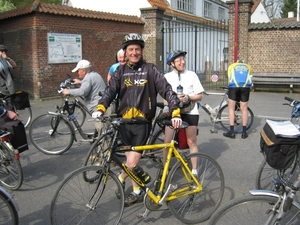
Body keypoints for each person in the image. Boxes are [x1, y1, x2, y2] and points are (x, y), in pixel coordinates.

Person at [92, 33, 182, 207]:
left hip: (142, 124)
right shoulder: (120, 70)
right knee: (130, 161)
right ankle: (137, 192)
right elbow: (110, 91)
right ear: (125, 52)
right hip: (124, 123)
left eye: (137, 49)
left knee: (132, 162)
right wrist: (101, 107)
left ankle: (120, 178)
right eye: (130, 49)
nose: (134, 52)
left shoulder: (150, 69)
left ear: (142, 50)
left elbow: (167, 90)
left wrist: (175, 111)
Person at [163, 50, 204, 174]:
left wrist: (188, 97)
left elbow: (199, 96)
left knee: (191, 141)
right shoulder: (167, 77)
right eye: (179, 60)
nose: (183, 62)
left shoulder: (192, 75)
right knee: (167, 141)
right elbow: (165, 96)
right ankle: (165, 168)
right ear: (172, 63)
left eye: (183, 59)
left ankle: (194, 170)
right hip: (174, 111)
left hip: (190, 111)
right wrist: (166, 107)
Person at [223, 59, 253, 139]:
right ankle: (244, 132)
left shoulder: (232, 66)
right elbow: (250, 81)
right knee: (244, 109)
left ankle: (232, 132)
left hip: (233, 87)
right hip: (245, 87)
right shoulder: (248, 67)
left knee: (231, 109)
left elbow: (229, 81)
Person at [106, 49, 126, 114]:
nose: (122, 59)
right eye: (120, 57)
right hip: (116, 96)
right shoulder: (114, 67)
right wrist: (110, 85)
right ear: (117, 58)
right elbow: (109, 74)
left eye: (124, 57)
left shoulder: (131, 67)